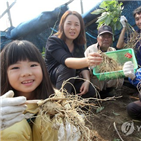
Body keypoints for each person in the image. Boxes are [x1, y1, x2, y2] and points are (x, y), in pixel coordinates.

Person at [0, 40, 57, 141]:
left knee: (51, 119)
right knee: (13, 129)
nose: (26, 73)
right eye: (16, 67)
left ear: (42, 68)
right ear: (4, 73)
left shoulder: (57, 97)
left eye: (33, 65)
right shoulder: (2, 107)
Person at [45, 10, 103, 98]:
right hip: (52, 81)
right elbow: (67, 61)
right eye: (69, 23)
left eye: (76, 24)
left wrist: (87, 81)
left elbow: (83, 67)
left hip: (69, 80)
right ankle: (61, 101)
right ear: (62, 25)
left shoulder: (77, 45)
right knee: (69, 68)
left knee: (90, 90)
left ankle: (72, 101)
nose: (72, 27)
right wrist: (88, 60)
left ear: (80, 28)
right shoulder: (53, 41)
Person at [84, 25, 124, 97]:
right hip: (96, 82)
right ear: (98, 38)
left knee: (120, 73)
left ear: (111, 39)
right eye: (103, 36)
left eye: (109, 37)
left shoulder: (113, 50)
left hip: (108, 81)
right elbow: (85, 69)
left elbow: (116, 67)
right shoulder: (90, 50)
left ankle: (110, 90)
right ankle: (96, 93)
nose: (106, 39)